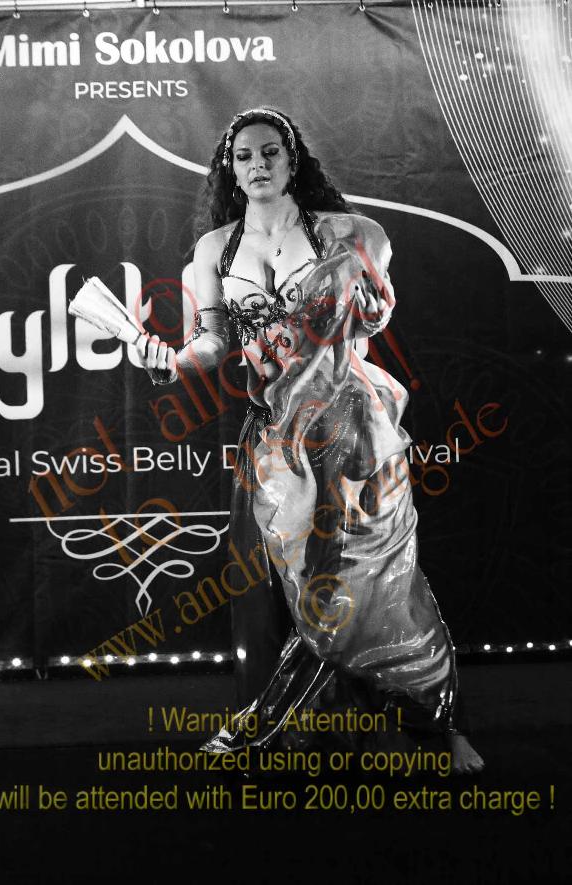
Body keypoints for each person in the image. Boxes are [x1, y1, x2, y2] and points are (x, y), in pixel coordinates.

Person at [136, 106, 484, 774]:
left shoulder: (350, 234)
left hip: (353, 433)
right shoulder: (214, 250)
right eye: (243, 156)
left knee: (379, 579)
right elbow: (209, 344)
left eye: (270, 152)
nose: (258, 165)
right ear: (230, 168)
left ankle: (439, 725)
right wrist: (165, 361)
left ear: (293, 159)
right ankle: (280, 726)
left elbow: (369, 322)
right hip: (275, 440)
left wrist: (360, 303)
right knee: (279, 588)